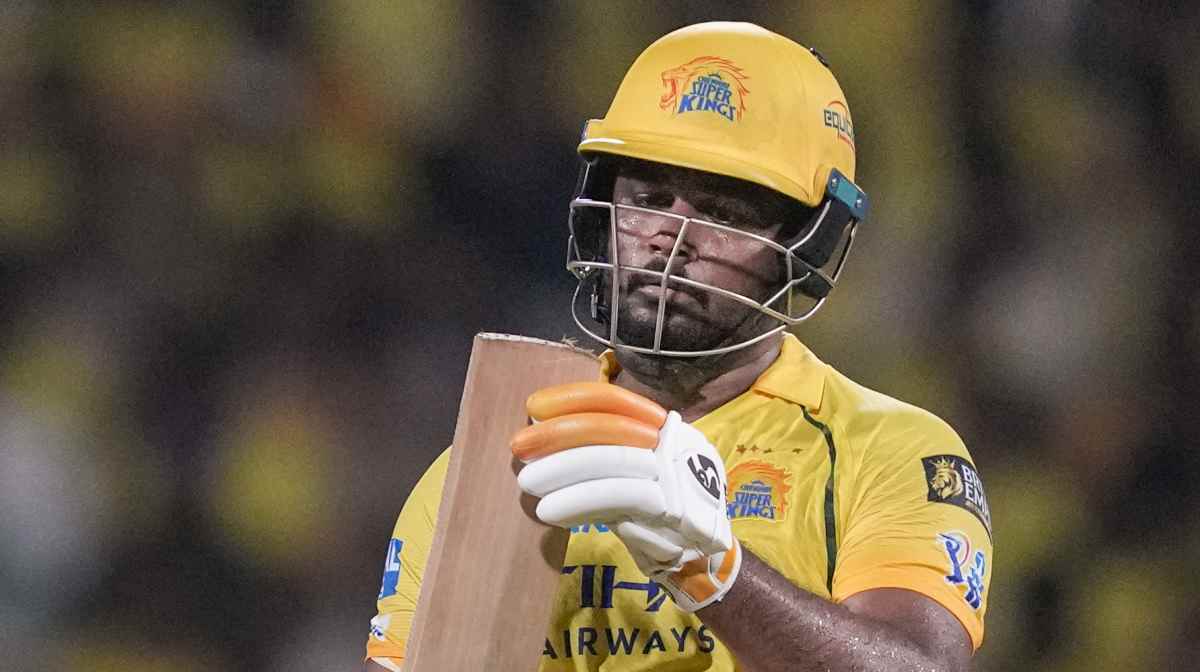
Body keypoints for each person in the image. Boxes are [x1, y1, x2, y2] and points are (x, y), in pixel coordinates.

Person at [366, 21, 992, 671]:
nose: (671, 237)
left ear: (809, 246)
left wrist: (709, 567)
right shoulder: (491, 457)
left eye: (723, 212)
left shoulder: (890, 453)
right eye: (649, 197)